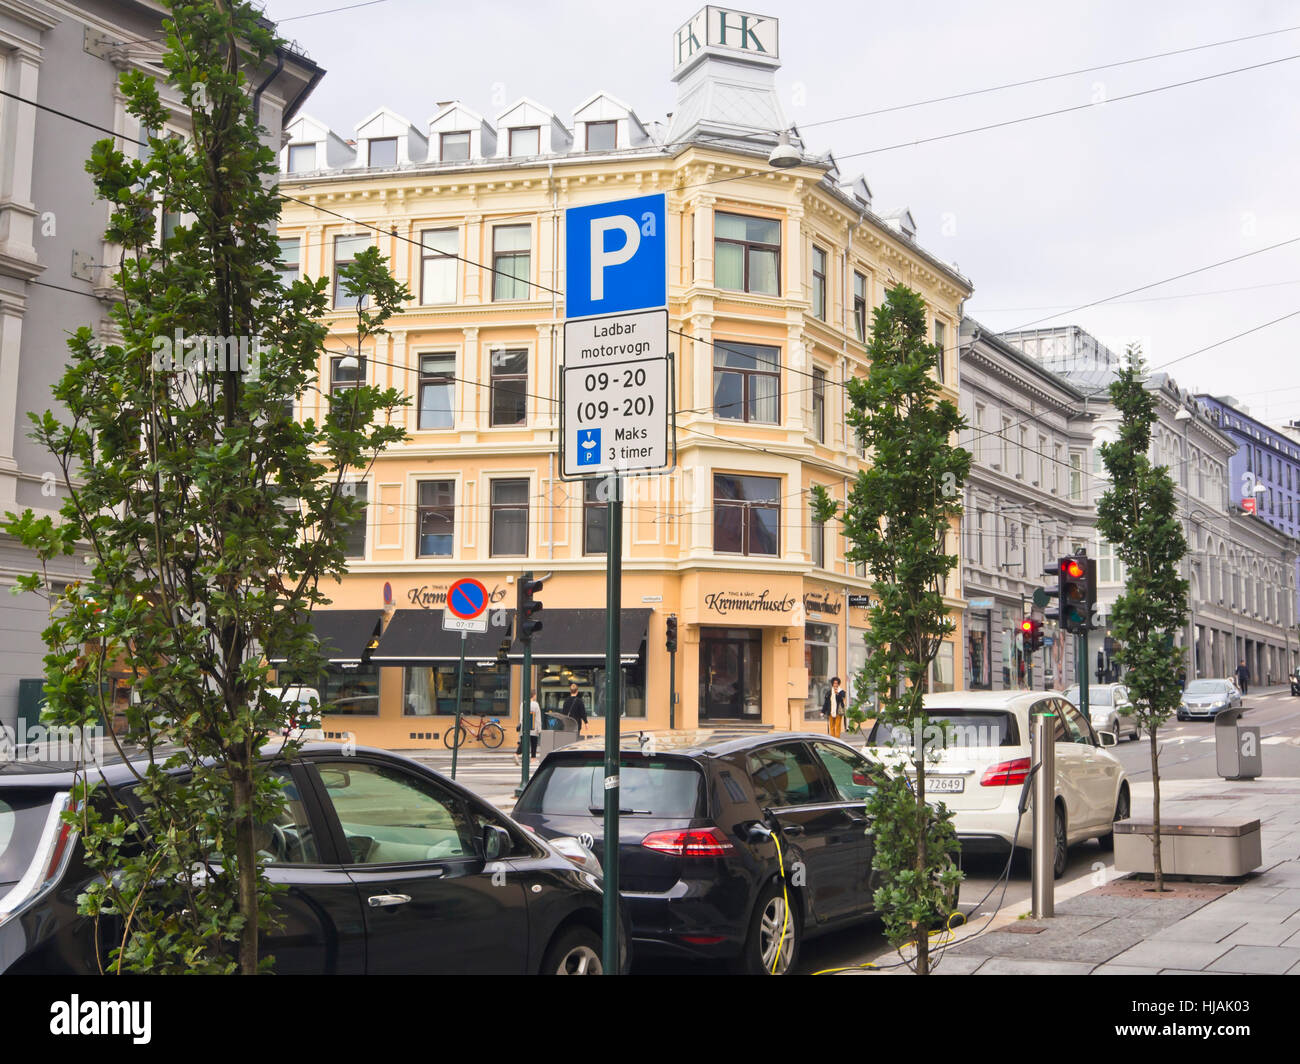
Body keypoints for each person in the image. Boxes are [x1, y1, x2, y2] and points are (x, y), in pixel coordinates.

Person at [514, 695, 541, 764]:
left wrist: (521, 725)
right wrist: (539, 728)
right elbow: (538, 718)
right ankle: (533, 758)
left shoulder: (523, 703)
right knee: (534, 743)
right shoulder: (536, 704)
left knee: (524, 743)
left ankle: (517, 754)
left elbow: (521, 716)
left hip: (524, 726)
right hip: (533, 727)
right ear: (534, 696)